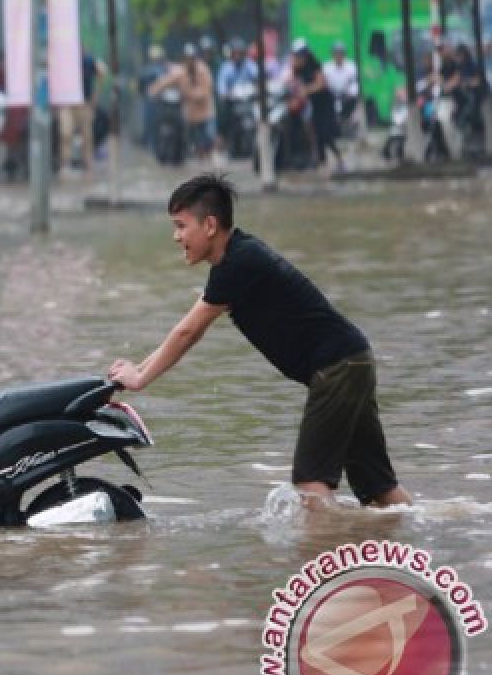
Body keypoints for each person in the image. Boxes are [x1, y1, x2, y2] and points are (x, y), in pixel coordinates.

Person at [108, 174, 411, 511]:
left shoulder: (238, 263)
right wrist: (138, 371)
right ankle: (415, 537)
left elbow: (188, 333)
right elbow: (183, 329)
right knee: (380, 489)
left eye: (181, 226)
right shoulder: (235, 259)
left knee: (310, 484)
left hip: (337, 367)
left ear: (209, 225)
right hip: (353, 362)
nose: (176, 236)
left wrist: (139, 379)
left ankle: (324, 557)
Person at [149, 43, 216, 158]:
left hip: (205, 112)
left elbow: (207, 88)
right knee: (188, 141)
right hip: (189, 114)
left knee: (208, 139)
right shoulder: (181, 71)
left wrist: (192, 95)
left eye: (191, 58)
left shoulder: (203, 70)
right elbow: (167, 81)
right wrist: (154, 89)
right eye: (187, 58)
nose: (189, 61)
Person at [291, 39, 342, 170]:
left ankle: (339, 159)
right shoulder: (297, 68)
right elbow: (294, 83)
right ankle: (320, 162)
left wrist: (306, 90)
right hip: (313, 104)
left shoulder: (315, 65)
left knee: (325, 134)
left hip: (324, 103)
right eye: (296, 55)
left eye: (300, 55)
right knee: (315, 133)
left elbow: (321, 84)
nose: (298, 58)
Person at [322, 41, 360, 127]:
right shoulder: (326, 67)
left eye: (340, 53)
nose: (338, 56)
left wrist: (351, 93)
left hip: (346, 95)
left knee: (353, 100)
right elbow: (323, 83)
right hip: (331, 94)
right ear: (332, 54)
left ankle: (346, 119)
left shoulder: (351, 66)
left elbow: (354, 83)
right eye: (336, 53)